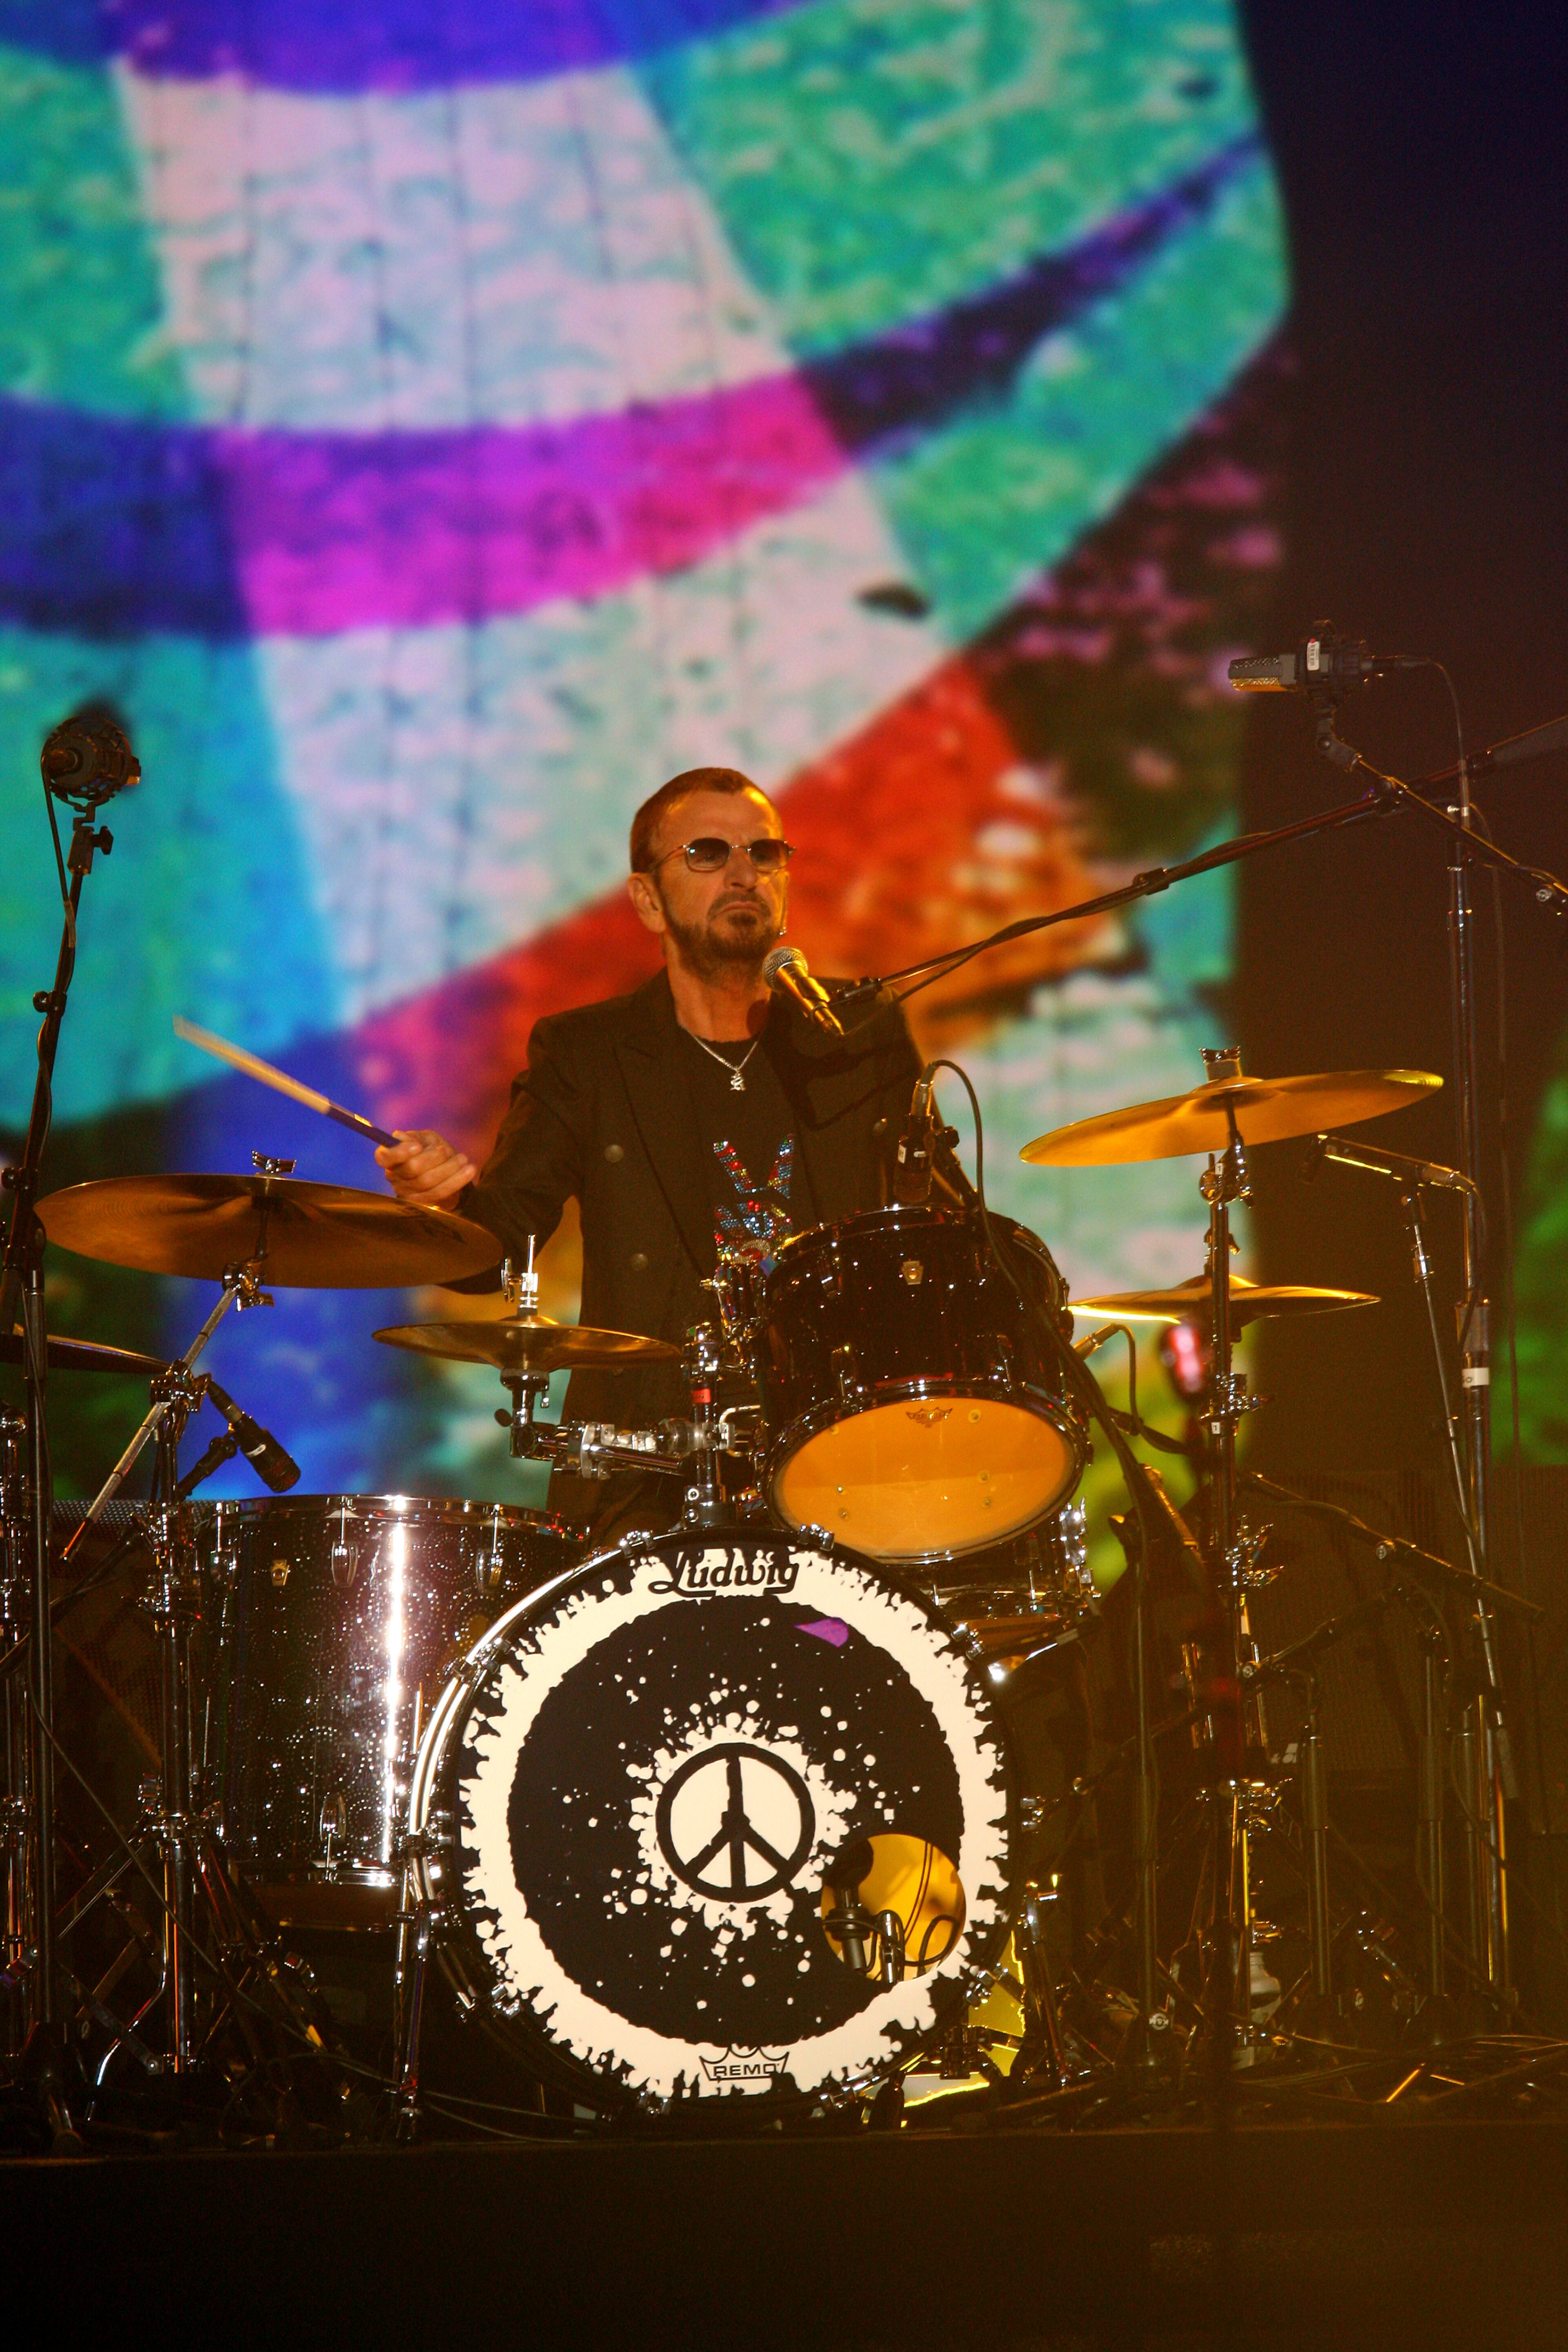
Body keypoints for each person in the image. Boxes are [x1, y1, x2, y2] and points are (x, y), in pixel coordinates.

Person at [376, 766, 923, 1530]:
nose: (743, 873)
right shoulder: (587, 1053)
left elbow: (927, 1234)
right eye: (707, 852)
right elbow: (500, 1244)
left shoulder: (857, 1035)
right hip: (649, 1469)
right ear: (646, 900)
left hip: (845, 1459)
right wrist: (445, 1204)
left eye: (765, 854)